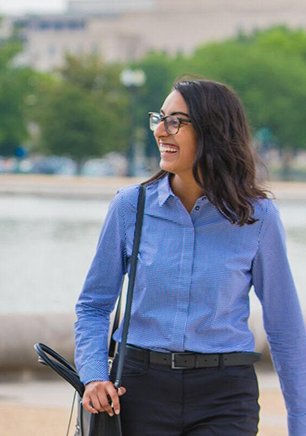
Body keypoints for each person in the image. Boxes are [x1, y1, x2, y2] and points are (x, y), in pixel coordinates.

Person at [74, 78, 306, 435]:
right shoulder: (129, 207)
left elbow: (285, 326)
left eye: (176, 121)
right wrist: (93, 376)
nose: (161, 131)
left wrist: (300, 424)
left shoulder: (258, 217)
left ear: (214, 132)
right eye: (159, 118)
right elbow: (93, 304)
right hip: (137, 391)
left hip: (225, 395)